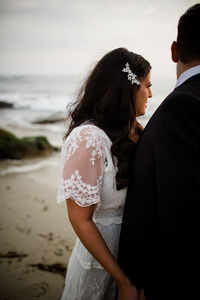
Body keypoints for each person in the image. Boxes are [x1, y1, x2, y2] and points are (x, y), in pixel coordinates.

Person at [118, 4, 200, 300]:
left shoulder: (183, 106)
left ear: (174, 50)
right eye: (146, 86)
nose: (151, 94)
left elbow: (179, 211)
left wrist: (138, 280)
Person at [57, 47, 152, 300]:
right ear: (129, 87)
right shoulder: (88, 138)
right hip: (100, 266)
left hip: (131, 262)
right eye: (147, 85)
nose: (151, 94)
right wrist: (123, 281)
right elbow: (80, 219)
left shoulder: (131, 132)